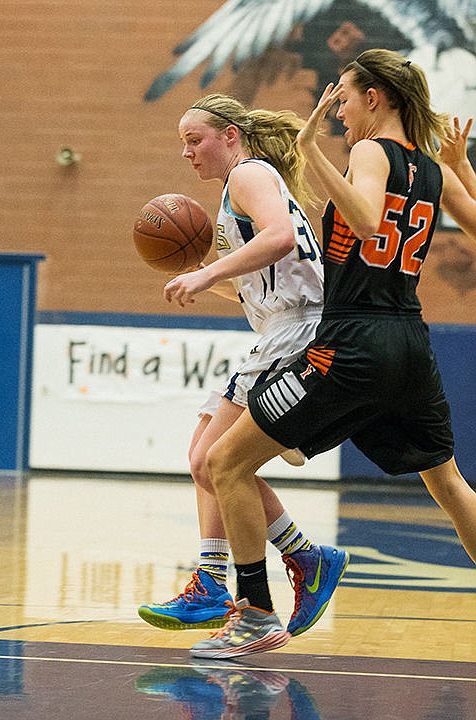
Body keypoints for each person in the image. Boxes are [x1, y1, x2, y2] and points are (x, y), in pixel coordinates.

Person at [182, 49, 476, 659]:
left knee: (224, 463)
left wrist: (313, 150)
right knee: (448, 484)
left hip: (354, 342)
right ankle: (279, 578)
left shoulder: (370, 152)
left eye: (342, 97)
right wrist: (462, 169)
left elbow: (367, 220)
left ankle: (256, 613)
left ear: (376, 98)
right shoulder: (430, 167)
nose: (335, 110)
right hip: (409, 341)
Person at [138, 93, 349, 639]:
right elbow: (264, 283)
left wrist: (206, 276)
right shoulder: (242, 191)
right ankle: (221, 579)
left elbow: (279, 238)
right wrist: (204, 272)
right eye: (182, 143)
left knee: (216, 461)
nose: (187, 153)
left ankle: (291, 562)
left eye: (194, 139)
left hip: (300, 331)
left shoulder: (251, 174)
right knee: (203, 458)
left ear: (230, 135)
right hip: (282, 327)